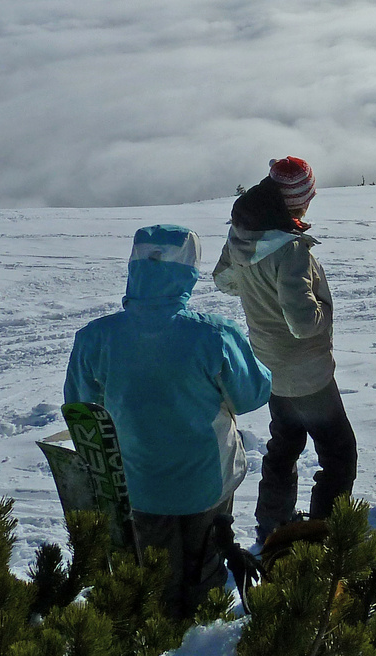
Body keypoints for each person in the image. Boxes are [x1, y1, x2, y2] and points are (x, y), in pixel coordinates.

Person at [64, 224, 272, 618]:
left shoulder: (95, 337)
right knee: (206, 567)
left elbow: (81, 410)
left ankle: (161, 632)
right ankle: (201, 633)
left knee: (157, 576)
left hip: (137, 484)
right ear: (188, 272)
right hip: (207, 480)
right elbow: (251, 395)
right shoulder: (215, 334)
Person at [214, 156, 359, 544]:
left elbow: (224, 280)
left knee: (285, 444)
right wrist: (325, 311)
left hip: (269, 366)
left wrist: (256, 292)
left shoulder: (244, 232)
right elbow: (302, 322)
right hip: (307, 373)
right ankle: (323, 536)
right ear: (299, 201)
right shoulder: (288, 249)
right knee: (339, 455)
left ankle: (273, 522)